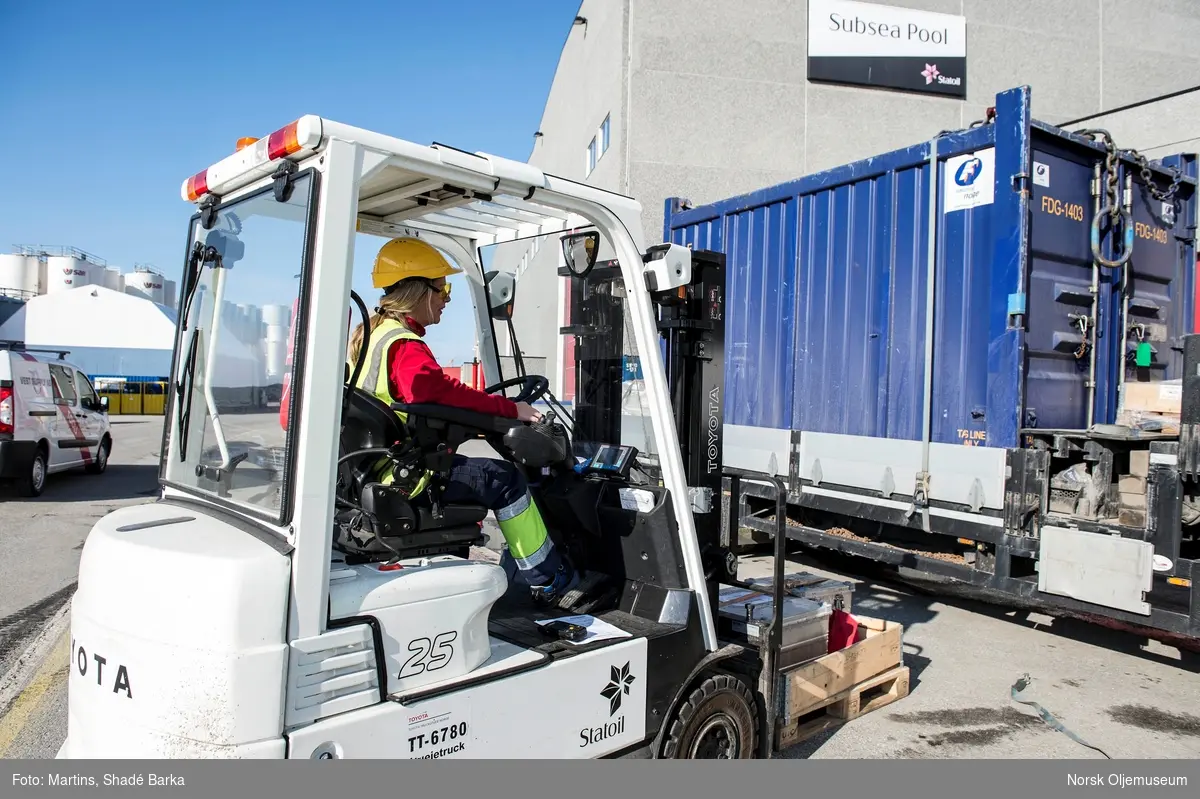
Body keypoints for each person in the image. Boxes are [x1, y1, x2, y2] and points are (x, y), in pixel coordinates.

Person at [348, 236, 579, 604]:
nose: (446, 299)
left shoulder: (374, 336)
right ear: (420, 291)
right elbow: (435, 392)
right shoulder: (405, 345)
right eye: (443, 289)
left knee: (488, 472)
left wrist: (482, 414)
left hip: (379, 466)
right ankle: (546, 576)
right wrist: (507, 409)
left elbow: (427, 400)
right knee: (505, 479)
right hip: (409, 476)